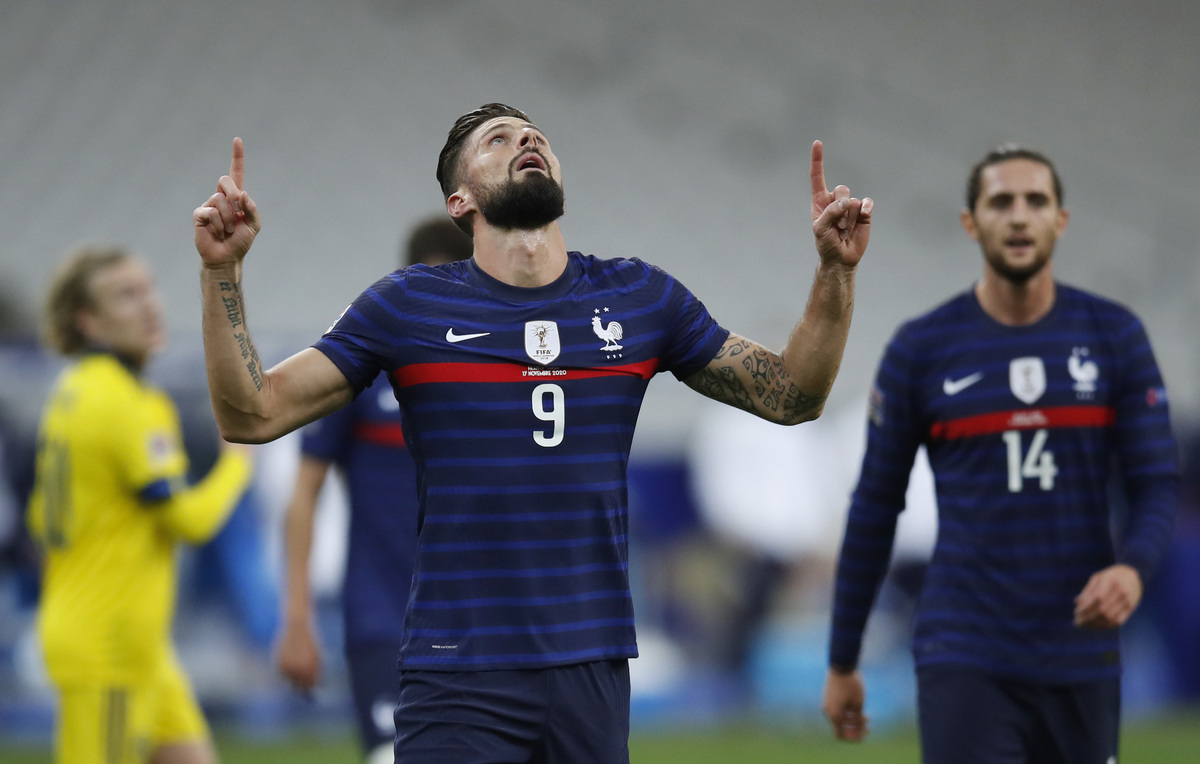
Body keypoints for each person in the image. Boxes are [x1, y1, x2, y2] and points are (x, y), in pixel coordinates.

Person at [192, 102, 872, 763]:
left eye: (534, 135)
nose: (525, 140)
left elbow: (791, 395)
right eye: (496, 139)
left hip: (591, 669)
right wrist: (222, 272)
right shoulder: (407, 306)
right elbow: (253, 412)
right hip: (458, 670)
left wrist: (835, 274)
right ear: (460, 201)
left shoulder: (638, 297)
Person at [821, 145, 1179, 763]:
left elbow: (1157, 481)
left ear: (1060, 220)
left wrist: (1133, 569)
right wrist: (842, 658)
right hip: (965, 650)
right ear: (971, 222)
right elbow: (875, 505)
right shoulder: (922, 348)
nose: (1018, 216)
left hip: (1081, 652)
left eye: (1035, 201)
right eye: (1000, 202)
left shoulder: (1114, 335)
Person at [26, 247, 253, 764]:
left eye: (147, 287)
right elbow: (190, 522)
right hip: (110, 647)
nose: (150, 304)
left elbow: (42, 519)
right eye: (126, 296)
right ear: (88, 321)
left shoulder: (72, 391)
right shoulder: (126, 404)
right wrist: (238, 462)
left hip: (136, 645)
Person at [274, 217, 472, 764]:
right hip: (386, 617)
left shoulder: (497, 372)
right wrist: (297, 619)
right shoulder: (364, 365)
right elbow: (304, 494)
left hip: (481, 618)